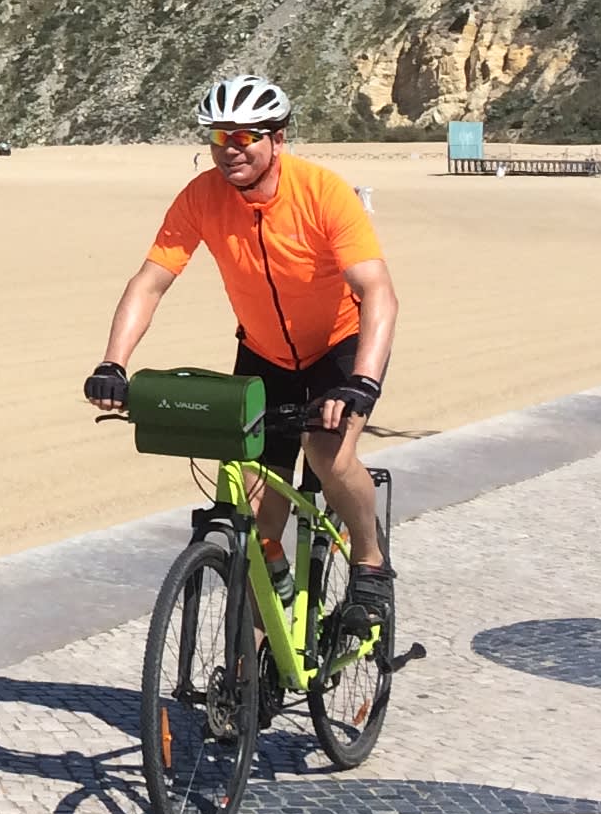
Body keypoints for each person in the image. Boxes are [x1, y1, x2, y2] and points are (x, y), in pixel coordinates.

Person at [81, 75, 398, 645]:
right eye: (220, 134)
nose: (231, 147)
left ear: (277, 139)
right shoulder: (202, 197)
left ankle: (371, 564)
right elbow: (151, 282)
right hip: (264, 353)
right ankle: (248, 684)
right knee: (256, 508)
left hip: (339, 349)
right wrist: (113, 364)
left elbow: (378, 292)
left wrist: (364, 383)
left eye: (245, 135)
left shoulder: (323, 192)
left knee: (326, 452)